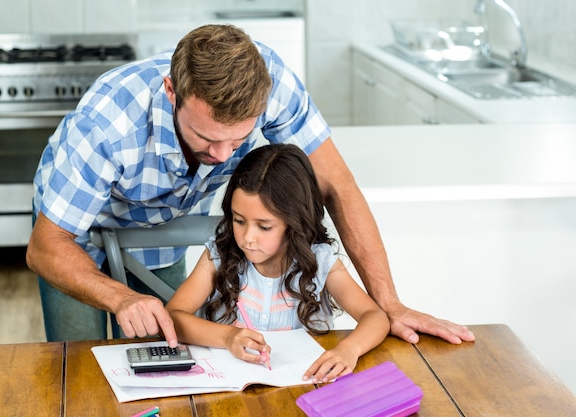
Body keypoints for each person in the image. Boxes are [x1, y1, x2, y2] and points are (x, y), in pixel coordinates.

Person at [26, 23, 475, 345]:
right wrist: (120, 297)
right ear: (171, 91)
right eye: (205, 137)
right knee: (76, 362)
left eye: (237, 139)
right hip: (74, 228)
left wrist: (391, 305)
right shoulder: (106, 125)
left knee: (160, 354)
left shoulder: (274, 85)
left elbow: (337, 186)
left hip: (158, 224)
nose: (222, 156)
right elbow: (47, 245)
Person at [165, 143, 390, 382]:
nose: (248, 238)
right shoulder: (218, 256)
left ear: (294, 223)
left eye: (264, 227)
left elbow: (375, 317)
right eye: (239, 220)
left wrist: (349, 350)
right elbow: (173, 317)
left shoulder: (320, 261)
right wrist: (227, 337)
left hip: (303, 390)